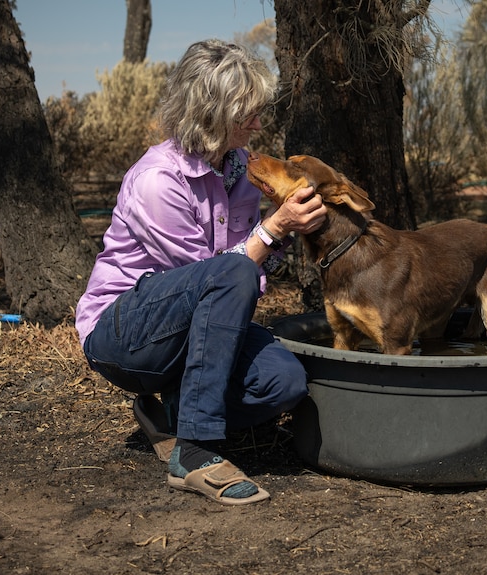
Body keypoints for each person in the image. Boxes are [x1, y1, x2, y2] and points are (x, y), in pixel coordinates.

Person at [75, 40, 327, 506]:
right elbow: (214, 275)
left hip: (195, 325)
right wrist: (272, 229)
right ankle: (194, 451)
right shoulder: (158, 181)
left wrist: (285, 231)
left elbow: (244, 272)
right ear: (208, 113)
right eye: (244, 114)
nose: (257, 124)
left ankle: (173, 411)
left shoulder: (240, 171)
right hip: (125, 334)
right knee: (231, 273)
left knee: (284, 383)